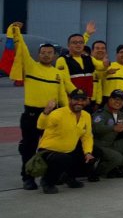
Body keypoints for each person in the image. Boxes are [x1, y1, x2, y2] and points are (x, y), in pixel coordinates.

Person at [7, 22, 74, 190]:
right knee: (28, 148)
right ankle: (28, 177)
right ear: (38, 55)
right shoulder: (30, 67)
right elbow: (20, 49)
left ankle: (48, 178)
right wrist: (16, 33)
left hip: (52, 116)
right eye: (43, 53)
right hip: (31, 115)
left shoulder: (57, 73)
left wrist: (67, 111)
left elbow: (62, 94)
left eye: (49, 53)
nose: (46, 55)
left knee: (50, 148)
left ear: (54, 55)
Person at [34, 89, 95, 194]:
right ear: (69, 99)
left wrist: (88, 152)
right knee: (63, 158)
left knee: (91, 155)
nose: (79, 102)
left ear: (86, 101)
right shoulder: (58, 113)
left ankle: (69, 177)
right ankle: (47, 182)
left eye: (83, 100)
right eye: (76, 99)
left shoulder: (86, 115)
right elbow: (41, 126)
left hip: (68, 150)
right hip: (48, 151)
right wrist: (46, 112)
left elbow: (87, 136)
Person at [91, 89, 123, 179]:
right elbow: (96, 128)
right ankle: (97, 171)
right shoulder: (100, 114)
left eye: (121, 100)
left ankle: (116, 169)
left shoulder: (122, 115)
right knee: (117, 157)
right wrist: (113, 128)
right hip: (98, 146)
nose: (118, 102)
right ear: (109, 99)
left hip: (110, 144)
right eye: (115, 99)